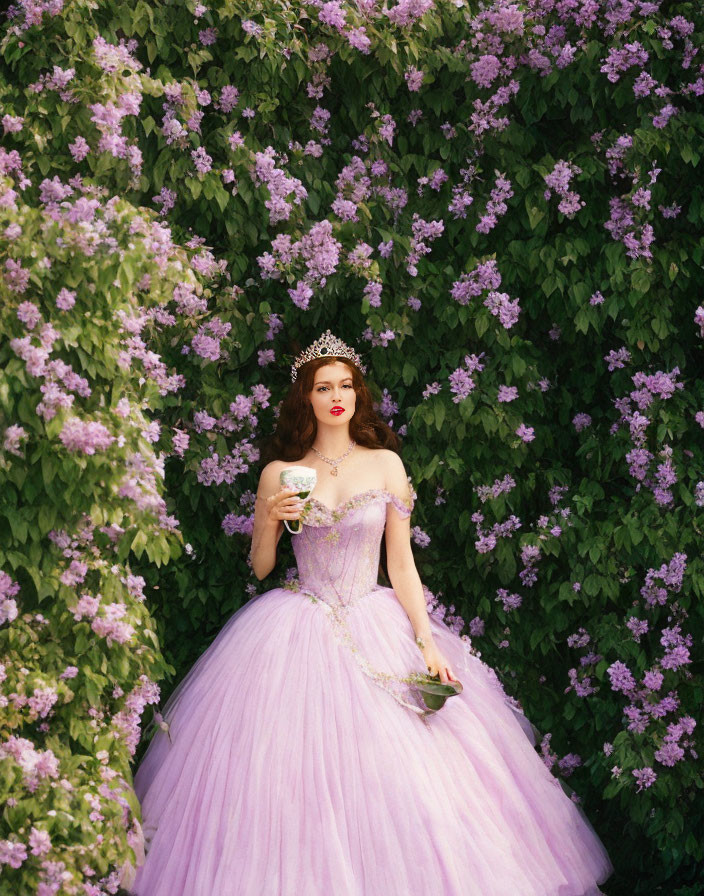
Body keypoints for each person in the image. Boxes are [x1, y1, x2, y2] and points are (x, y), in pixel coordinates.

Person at [128, 330, 614, 895]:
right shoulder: (280, 472)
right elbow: (261, 566)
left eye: (346, 386)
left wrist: (427, 642)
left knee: (408, 779)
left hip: (373, 616)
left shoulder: (385, 463)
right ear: (305, 398)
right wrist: (267, 517)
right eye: (323, 387)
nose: (337, 396)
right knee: (286, 778)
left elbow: (401, 564)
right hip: (297, 627)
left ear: (358, 394)